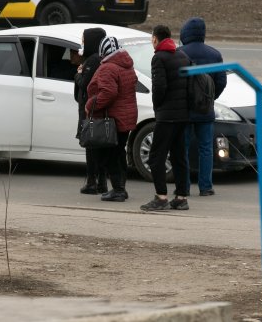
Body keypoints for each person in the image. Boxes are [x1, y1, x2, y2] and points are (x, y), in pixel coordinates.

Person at [140, 25, 191, 211]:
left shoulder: (159, 58)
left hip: (167, 115)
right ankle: (181, 196)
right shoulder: (183, 56)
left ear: (155, 39)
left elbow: (159, 88)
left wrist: (157, 107)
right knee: (179, 156)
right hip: (182, 115)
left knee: (155, 157)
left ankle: (161, 197)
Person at [85, 36, 138, 202]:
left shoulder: (108, 68)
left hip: (113, 118)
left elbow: (109, 92)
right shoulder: (126, 65)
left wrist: (91, 104)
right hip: (126, 117)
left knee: (110, 155)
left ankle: (118, 189)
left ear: (103, 52)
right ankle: (121, 186)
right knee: (119, 152)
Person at [178, 17, 227, 196]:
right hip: (205, 109)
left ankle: (184, 186)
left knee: (182, 148)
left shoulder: (179, 52)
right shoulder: (214, 54)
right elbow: (221, 81)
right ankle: (205, 186)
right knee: (206, 148)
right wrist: (210, 99)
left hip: (184, 110)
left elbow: (175, 82)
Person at [74, 27, 108, 195]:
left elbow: (85, 84)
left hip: (90, 110)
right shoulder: (99, 58)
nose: (82, 44)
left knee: (91, 147)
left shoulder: (93, 61)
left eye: (84, 40)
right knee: (98, 147)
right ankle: (100, 182)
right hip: (94, 109)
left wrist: (78, 73)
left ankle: (92, 182)